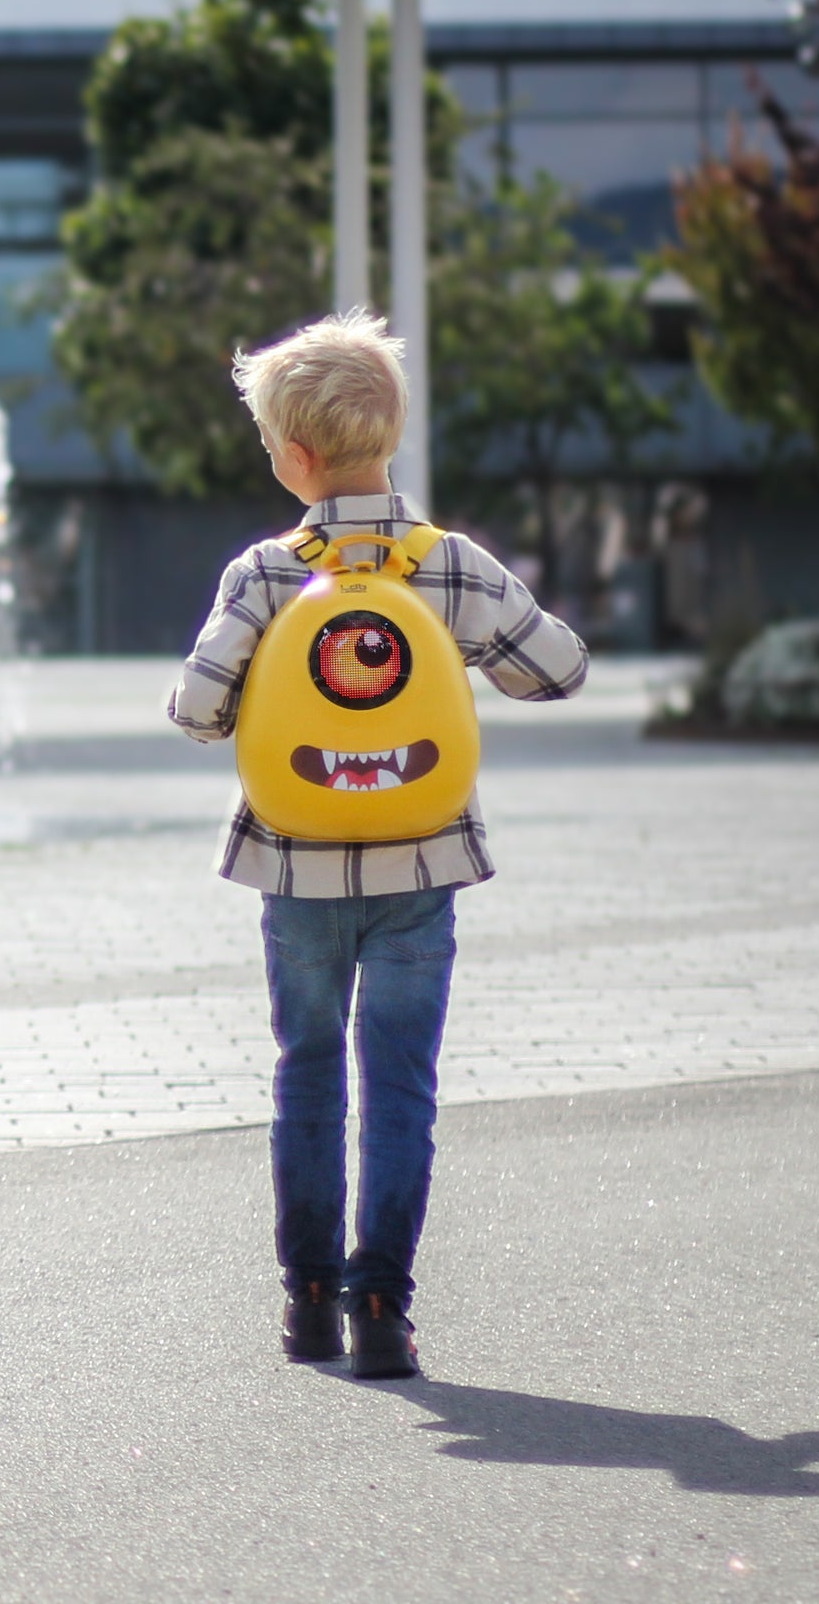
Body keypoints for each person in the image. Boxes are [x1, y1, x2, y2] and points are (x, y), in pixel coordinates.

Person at [168, 310, 587, 1381]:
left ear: (296, 458)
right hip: (422, 862)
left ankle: (306, 1299)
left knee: (308, 1074)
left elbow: (198, 710)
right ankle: (383, 1310)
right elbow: (558, 668)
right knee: (399, 1082)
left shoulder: (264, 572)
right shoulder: (446, 564)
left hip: (298, 865)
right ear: (387, 438)